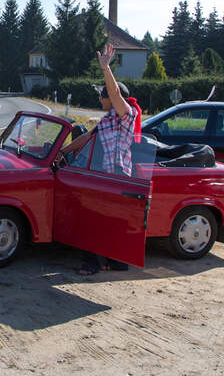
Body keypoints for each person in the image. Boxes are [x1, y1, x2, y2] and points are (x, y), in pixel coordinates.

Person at [60, 43, 142, 275]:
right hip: (104, 176)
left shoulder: (127, 115)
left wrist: (106, 68)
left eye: (101, 95)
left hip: (118, 177)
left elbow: (115, 93)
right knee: (102, 221)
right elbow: (86, 138)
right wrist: (62, 153)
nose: (100, 99)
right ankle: (109, 262)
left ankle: (96, 264)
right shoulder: (107, 119)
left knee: (99, 220)